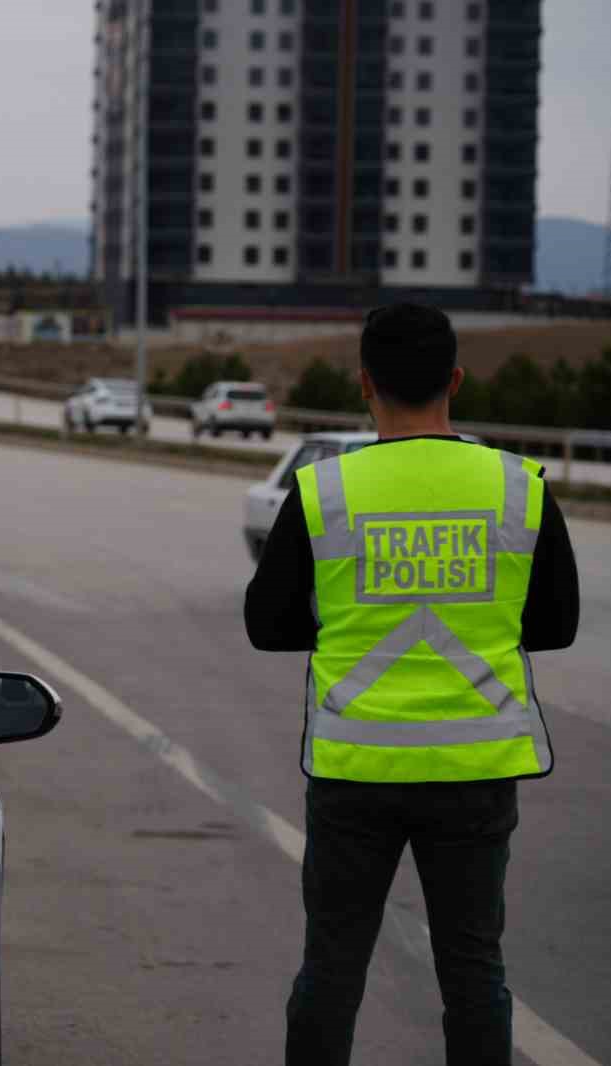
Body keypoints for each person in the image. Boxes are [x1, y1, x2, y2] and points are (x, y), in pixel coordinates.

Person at [244, 303, 579, 1066]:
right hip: (475, 771)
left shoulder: (325, 490)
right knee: (474, 974)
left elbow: (267, 624)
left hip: (355, 771)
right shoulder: (518, 486)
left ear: (366, 384)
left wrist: (353, 619)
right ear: (454, 380)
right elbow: (556, 624)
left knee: (332, 970)